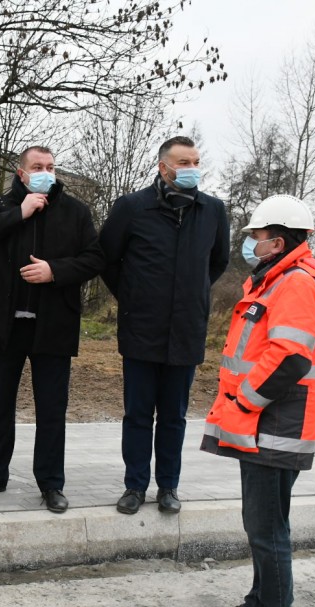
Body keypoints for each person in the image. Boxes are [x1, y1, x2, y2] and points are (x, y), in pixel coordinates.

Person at [202, 195, 315, 607]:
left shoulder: (296, 283)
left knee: (267, 526)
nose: (251, 243)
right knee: (261, 521)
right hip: (266, 419)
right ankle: (259, 602)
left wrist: (244, 400)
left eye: (257, 236)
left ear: (278, 242)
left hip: (275, 420)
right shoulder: (277, 280)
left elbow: (290, 357)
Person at [0, 146, 104, 513]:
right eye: (37, 167)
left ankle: (51, 483)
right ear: (21, 173)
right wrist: (19, 213)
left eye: (50, 167)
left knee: (51, 409)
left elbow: (94, 258)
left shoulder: (75, 211)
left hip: (53, 326)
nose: (46, 173)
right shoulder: (1, 206)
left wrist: (55, 271)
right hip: (3, 326)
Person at [99, 135, 230, 516]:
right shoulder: (132, 207)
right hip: (141, 328)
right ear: (163, 167)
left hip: (186, 331)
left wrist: (191, 293)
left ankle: (168, 487)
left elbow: (218, 261)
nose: (192, 169)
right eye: (184, 162)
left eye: (196, 162)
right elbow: (107, 258)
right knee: (138, 414)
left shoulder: (213, 210)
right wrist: (133, 296)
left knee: (174, 417)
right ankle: (135, 486)